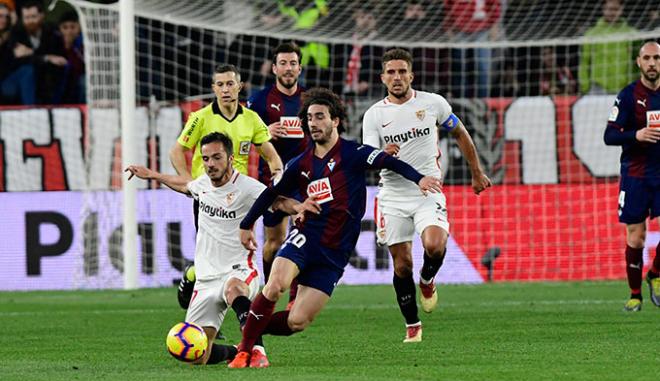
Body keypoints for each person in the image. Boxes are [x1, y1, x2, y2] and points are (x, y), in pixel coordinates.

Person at [226, 87, 443, 368]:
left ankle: (252, 325)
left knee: (297, 321)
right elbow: (270, 193)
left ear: (335, 120)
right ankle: (245, 351)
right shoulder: (300, 163)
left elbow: (388, 161)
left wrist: (419, 179)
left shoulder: (353, 153)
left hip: (335, 253)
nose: (313, 123)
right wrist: (246, 224)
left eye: (320, 117)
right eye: (310, 118)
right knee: (275, 285)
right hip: (306, 237)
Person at [126, 132, 316, 367]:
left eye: (216, 157)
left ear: (231, 158)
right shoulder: (202, 184)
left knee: (234, 288)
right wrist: (151, 175)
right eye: (205, 159)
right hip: (206, 279)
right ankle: (236, 350)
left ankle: (256, 351)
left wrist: (300, 208)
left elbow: (278, 202)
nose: (210, 164)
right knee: (198, 355)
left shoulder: (247, 187)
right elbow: (185, 186)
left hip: (239, 268)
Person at [362, 48, 491, 342]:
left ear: (411, 75)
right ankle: (412, 325)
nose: (397, 77)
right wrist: (382, 154)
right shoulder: (374, 115)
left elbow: (460, 132)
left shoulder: (433, 104)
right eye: (391, 72)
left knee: (434, 246)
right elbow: (367, 155)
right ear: (383, 78)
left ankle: (428, 279)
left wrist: (476, 172)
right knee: (402, 264)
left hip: (428, 190)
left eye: (402, 71)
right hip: (393, 195)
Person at [170, 64, 283, 309]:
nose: (225, 89)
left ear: (239, 86)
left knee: (241, 254)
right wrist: (188, 181)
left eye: (230, 84)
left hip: (241, 200)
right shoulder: (200, 118)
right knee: (213, 259)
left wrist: (278, 175)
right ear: (213, 88)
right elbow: (177, 151)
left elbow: (271, 156)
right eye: (220, 85)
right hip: (210, 199)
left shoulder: (251, 119)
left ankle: (236, 296)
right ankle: (202, 287)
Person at [247, 42, 308, 306]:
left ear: (300, 68)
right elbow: (243, 136)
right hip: (272, 180)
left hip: (306, 178)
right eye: (283, 63)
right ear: (274, 68)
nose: (288, 68)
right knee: (274, 242)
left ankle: (296, 294)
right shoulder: (260, 100)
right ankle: (269, 291)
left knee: (305, 227)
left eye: (293, 63)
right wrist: (265, 133)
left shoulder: (310, 99)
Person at [603, 40, 660, 312]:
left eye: (657, 58)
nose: (652, 63)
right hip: (635, 174)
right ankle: (635, 294)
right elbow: (609, 135)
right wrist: (635, 135)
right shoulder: (627, 96)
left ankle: (656, 273)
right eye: (647, 58)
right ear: (638, 62)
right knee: (636, 236)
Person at [1, 0, 66, 104]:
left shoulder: (51, 32)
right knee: (28, 70)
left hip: (42, 77)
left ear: (42, 16)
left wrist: (33, 54)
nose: (30, 21)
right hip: (10, 81)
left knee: (63, 66)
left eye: (33, 16)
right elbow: (19, 60)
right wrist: (45, 57)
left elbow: (58, 57)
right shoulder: (17, 34)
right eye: (26, 17)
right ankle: (30, 111)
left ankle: (58, 106)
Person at [579, 0, 637, 95]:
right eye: (608, 9)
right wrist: (585, 87)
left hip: (625, 87)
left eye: (615, 9)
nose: (611, 12)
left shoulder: (632, 34)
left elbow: (637, 61)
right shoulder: (591, 34)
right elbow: (584, 63)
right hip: (598, 88)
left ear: (621, 9)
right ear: (603, 9)